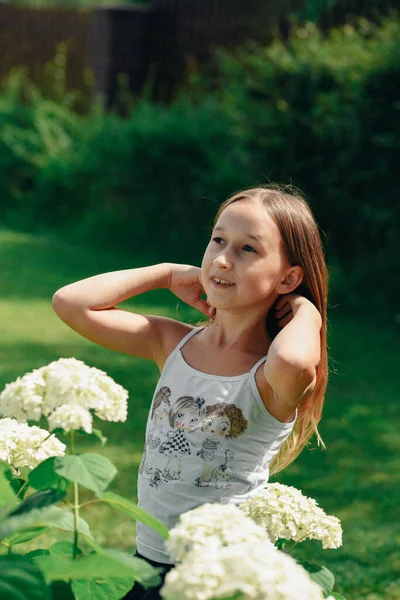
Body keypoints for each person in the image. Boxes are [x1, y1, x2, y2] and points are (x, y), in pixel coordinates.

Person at [52, 185, 328, 599]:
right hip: (149, 562)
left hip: (222, 575)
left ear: (288, 277)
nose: (221, 259)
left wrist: (307, 311)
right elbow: (70, 303)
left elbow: (294, 361)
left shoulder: (269, 376)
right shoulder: (170, 342)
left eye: (247, 250)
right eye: (219, 240)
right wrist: (164, 273)